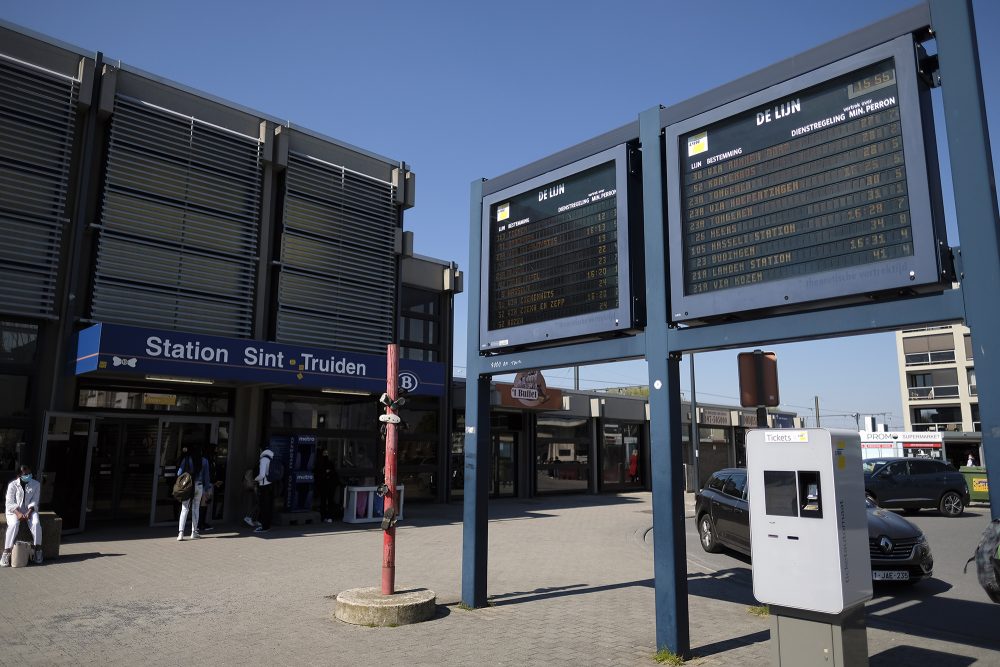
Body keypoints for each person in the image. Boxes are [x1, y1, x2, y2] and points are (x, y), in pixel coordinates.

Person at [2, 464, 42, 566]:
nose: (28, 475)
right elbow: (9, 502)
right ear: (19, 475)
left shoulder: (36, 484)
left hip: (30, 510)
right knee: (14, 525)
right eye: (25, 474)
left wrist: (29, 512)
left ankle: (37, 550)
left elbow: (35, 501)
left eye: (29, 473)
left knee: (36, 523)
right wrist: (18, 513)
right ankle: (6, 552)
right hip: (14, 510)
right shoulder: (12, 485)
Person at [176, 446, 210, 541]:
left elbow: (179, 473)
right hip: (199, 486)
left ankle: (181, 533)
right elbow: (206, 477)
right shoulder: (204, 461)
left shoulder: (187, 459)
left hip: (188, 486)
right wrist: (206, 489)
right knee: (196, 508)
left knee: (184, 509)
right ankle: (194, 532)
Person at [314, 451, 342, 524]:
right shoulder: (330, 464)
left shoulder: (320, 464)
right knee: (330, 502)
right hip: (330, 487)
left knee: (323, 502)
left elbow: (318, 475)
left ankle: (324, 517)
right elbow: (334, 475)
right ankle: (329, 517)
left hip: (324, 486)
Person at [254, 445, 276, 533]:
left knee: (264, 506)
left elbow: (262, 475)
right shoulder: (271, 458)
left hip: (264, 486)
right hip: (271, 485)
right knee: (269, 506)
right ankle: (267, 525)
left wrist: (255, 479)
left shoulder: (263, 459)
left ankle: (264, 527)